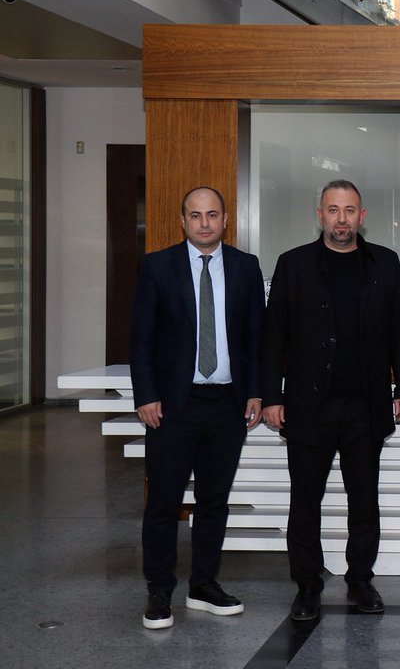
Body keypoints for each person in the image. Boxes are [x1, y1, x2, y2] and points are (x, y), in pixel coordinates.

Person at [261, 179, 400, 621]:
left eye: (350, 211)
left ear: (361, 216)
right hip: (309, 406)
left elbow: (397, 333)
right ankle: (307, 584)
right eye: (333, 210)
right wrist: (272, 395)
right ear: (320, 214)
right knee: (305, 501)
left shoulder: (385, 263)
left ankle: (360, 580)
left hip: (365, 407)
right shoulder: (293, 265)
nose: (342, 219)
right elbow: (274, 337)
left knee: (363, 500)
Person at [131, 186, 264, 630]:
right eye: (195, 215)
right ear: (183, 220)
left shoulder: (246, 268)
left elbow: (256, 339)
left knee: (214, 502)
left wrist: (257, 391)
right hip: (171, 406)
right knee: (163, 503)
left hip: (227, 404)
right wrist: (146, 395)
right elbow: (142, 339)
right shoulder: (158, 266)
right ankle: (159, 591)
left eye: (212, 215)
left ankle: (204, 585)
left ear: (226, 219)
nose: (204, 223)